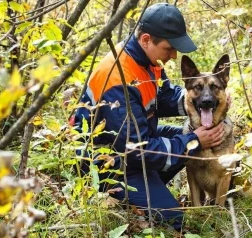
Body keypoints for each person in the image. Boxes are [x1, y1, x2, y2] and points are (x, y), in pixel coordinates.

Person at [74, 3, 227, 231]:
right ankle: (117, 197)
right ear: (146, 40)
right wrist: (194, 141)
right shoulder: (118, 79)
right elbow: (137, 149)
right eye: (169, 48)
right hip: (107, 162)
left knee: (183, 135)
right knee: (174, 218)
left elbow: (165, 97)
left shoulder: (147, 60)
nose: (174, 55)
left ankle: (151, 187)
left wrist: (200, 100)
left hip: (133, 144)